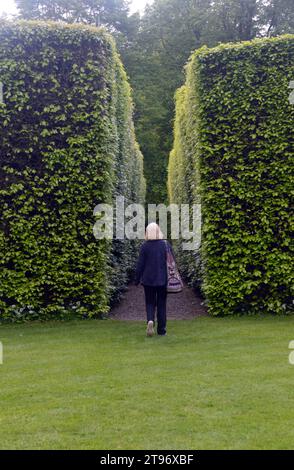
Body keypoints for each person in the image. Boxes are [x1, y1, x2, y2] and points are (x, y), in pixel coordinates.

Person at [135, 223, 172, 337]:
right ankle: (162, 330)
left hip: (148, 280)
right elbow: (171, 261)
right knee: (162, 304)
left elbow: (140, 265)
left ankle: (150, 320)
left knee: (149, 302)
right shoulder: (165, 244)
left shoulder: (144, 246)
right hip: (162, 279)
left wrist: (136, 279)